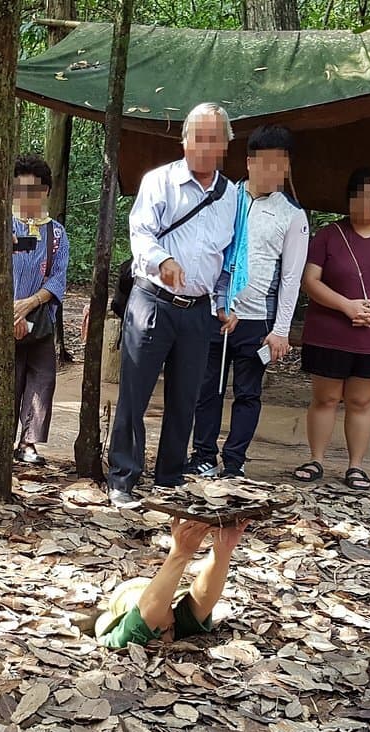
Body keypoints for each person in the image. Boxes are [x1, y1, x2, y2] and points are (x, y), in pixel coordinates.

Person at [106, 103, 238, 509]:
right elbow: (140, 232)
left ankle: (169, 478)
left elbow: (229, 255)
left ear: (224, 146)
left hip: (199, 310)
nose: (203, 145)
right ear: (184, 141)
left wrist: (224, 302)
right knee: (135, 392)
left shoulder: (231, 195)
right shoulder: (159, 182)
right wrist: (162, 261)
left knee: (186, 397)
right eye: (197, 136)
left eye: (213, 137)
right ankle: (123, 479)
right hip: (153, 301)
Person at [188, 124, 308, 479]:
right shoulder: (224, 197)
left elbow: (291, 278)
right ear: (250, 162)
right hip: (215, 311)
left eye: (281, 165)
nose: (274, 172)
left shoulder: (293, 215)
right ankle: (203, 455)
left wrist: (281, 330)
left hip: (258, 320)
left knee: (247, 393)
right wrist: (212, 302)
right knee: (207, 388)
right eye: (267, 163)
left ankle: (234, 462)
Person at [293, 168, 370, 490]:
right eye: (360, 196)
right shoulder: (329, 235)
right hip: (330, 329)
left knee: (362, 400)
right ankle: (316, 458)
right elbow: (310, 280)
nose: (367, 202)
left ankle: (356, 466)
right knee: (326, 397)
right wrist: (346, 305)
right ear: (349, 200)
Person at [0, 153, 68, 465]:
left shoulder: (57, 234)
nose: (26, 197)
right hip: (0, 317)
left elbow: (58, 277)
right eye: (19, 189)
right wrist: (9, 311)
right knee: (9, 379)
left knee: (41, 379)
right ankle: (0, 439)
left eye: (33, 190)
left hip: (41, 319)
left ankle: (29, 442)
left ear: (46, 191)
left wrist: (29, 305)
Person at [95, 518, 248, 648]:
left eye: (171, 629)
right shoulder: (117, 640)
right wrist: (179, 554)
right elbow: (145, 617)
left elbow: (202, 599)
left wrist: (223, 549)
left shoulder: (171, 623)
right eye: (158, 632)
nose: (168, 640)